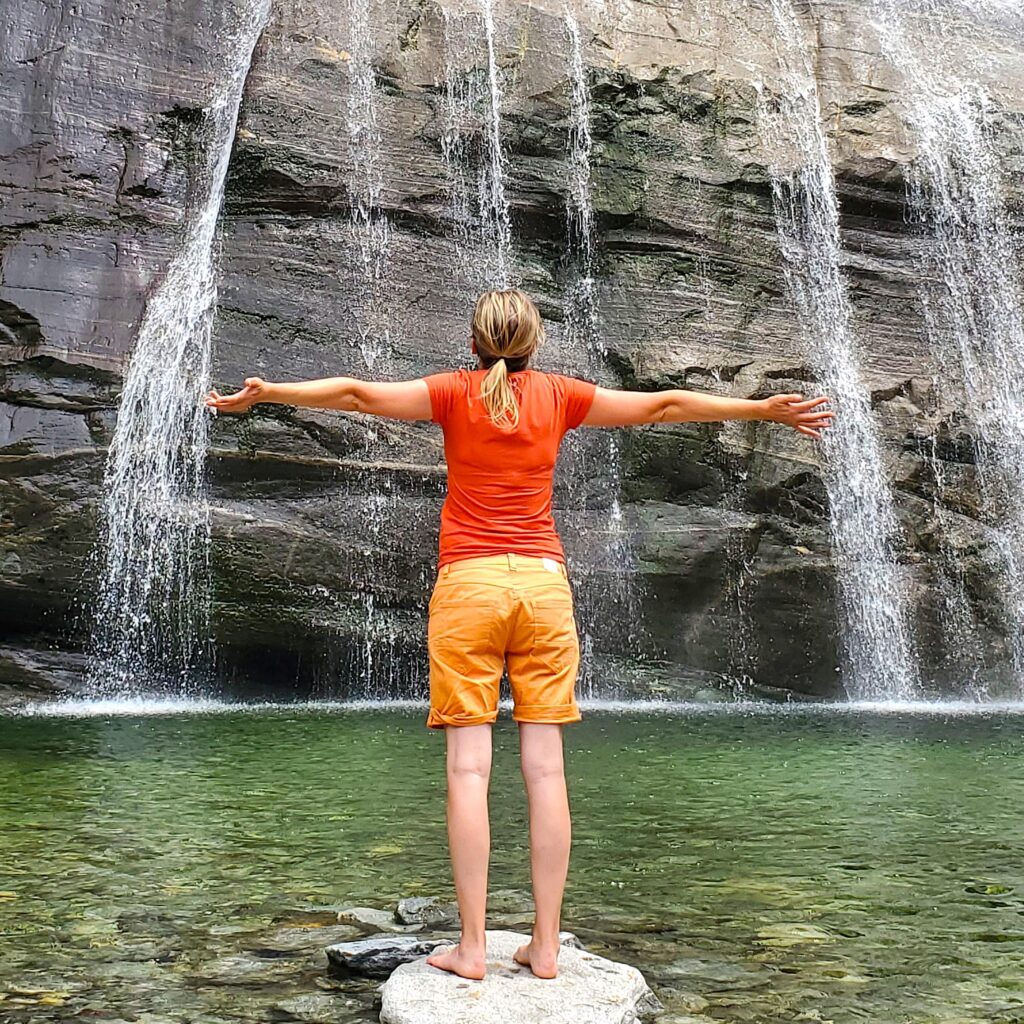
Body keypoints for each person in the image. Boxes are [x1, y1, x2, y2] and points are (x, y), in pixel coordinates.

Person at [206, 288, 833, 981]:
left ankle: (472, 949)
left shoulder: (451, 393)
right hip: (541, 585)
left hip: (469, 585)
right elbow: (662, 405)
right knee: (547, 770)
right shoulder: (560, 396)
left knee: (468, 771)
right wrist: (761, 409)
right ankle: (545, 946)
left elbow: (355, 394)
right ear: (534, 346)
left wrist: (268, 394)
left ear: (474, 344)